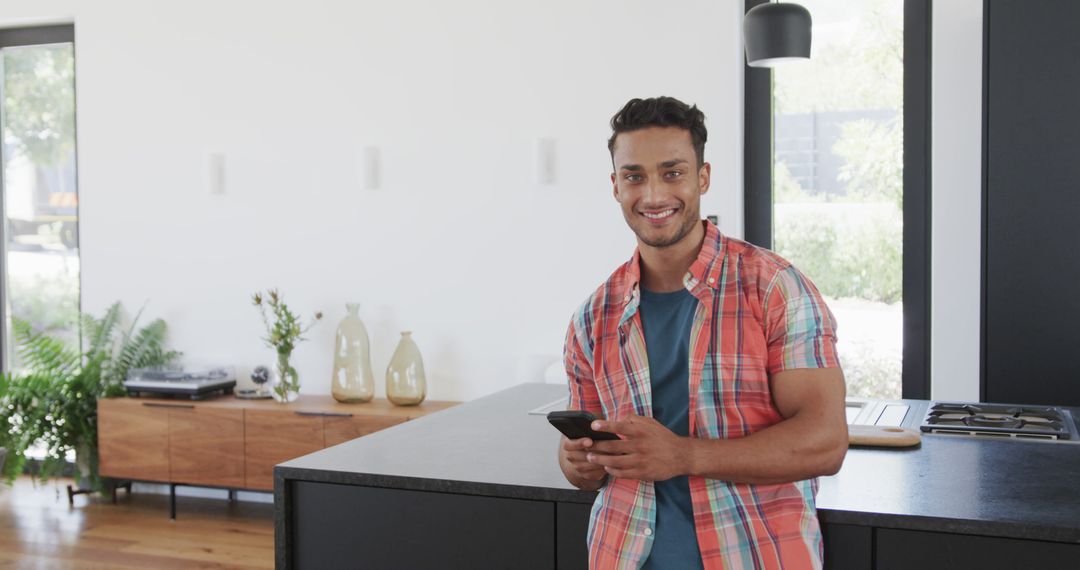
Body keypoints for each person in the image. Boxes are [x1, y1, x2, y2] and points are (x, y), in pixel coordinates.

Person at [557, 96, 848, 569]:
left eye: (672, 172)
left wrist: (684, 455)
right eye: (634, 176)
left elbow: (826, 440)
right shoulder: (592, 318)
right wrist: (576, 463)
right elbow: (587, 465)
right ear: (615, 186)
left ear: (702, 178)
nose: (652, 195)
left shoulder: (774, 288)